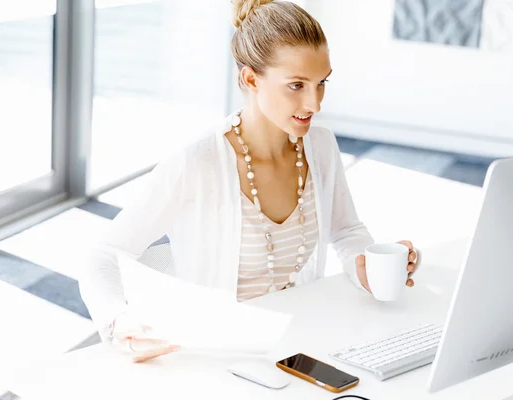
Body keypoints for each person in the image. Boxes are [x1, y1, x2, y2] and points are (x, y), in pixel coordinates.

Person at [79, 0, 419, 364]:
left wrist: (363, 265)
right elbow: (102, 257)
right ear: (251, 79)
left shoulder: (320, 147)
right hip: (215, 358)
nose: (315, 103)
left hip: (299, 344)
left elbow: (347, 231)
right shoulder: (197, 164)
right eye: (297, 85)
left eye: (322, 83)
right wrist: (119, 321)